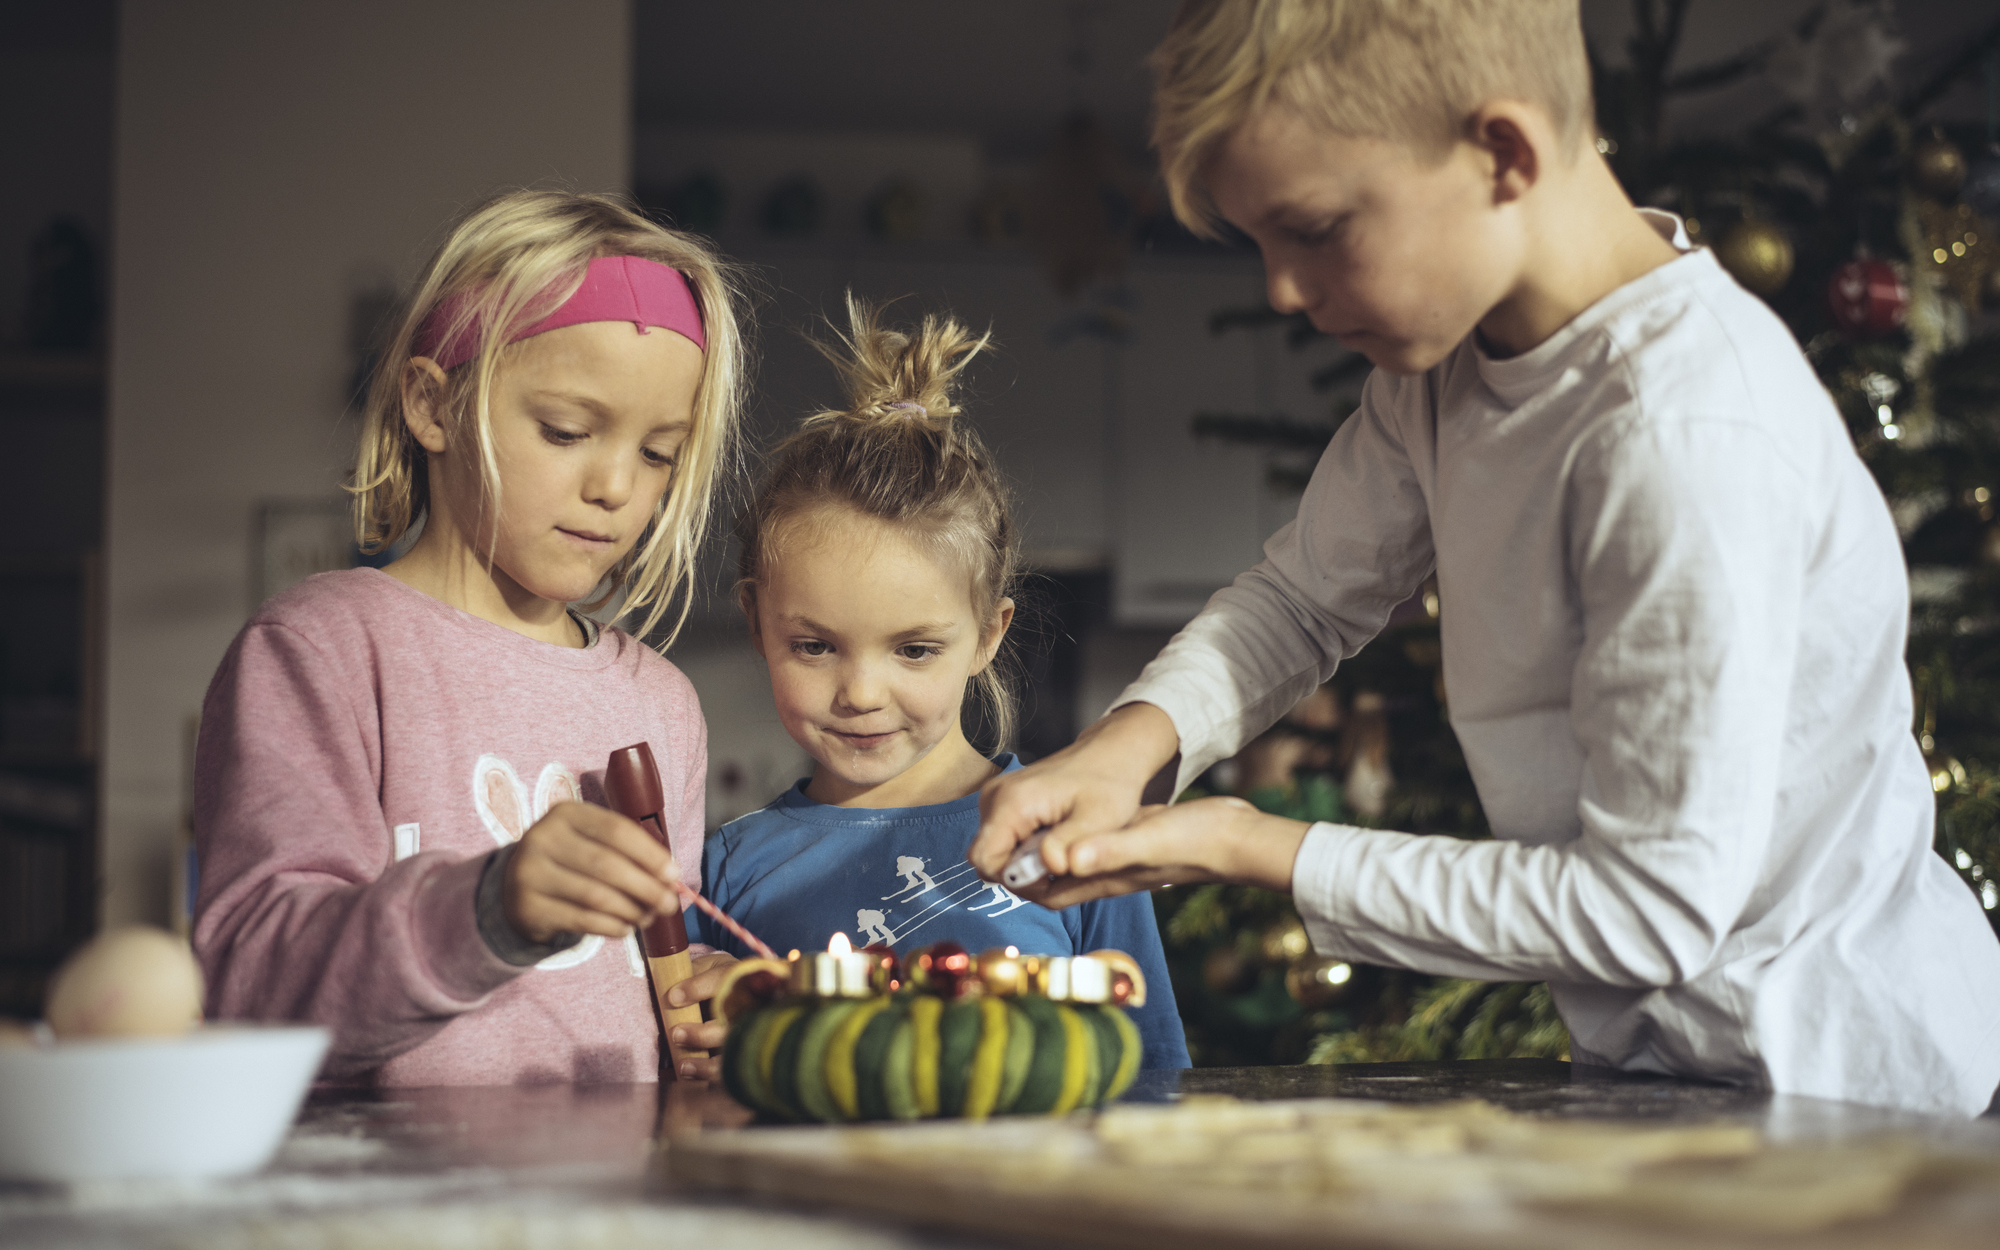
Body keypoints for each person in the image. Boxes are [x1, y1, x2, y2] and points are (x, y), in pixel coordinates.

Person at [970, 0, 2000, 1116]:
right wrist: (1133, 742)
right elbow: (1303, 597)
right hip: (1665, 1068)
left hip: (1847, 1092)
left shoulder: (1681, 436)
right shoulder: (1441, 370)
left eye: (1312, 228)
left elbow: (1644, 910)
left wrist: (1244, 841)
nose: (1276, 289)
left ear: (1501, 153)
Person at [192, 190, 748, 1086]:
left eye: (659, 454)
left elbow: (648, 981)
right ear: (433, 405)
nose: (617, 486)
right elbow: (252, 985)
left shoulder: (661, 703)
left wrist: (705, 996)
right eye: (567, 430)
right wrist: (488, 909)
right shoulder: (321, 653)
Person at [680, 298, 1189, 1072]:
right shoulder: (723, 871)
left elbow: (1152, 1082)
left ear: (988, 633)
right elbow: (688, 1094)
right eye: (815, 646)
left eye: (914, 650)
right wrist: (705, 1034)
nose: (860, 692)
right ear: (757, 622)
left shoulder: (1076, 844)